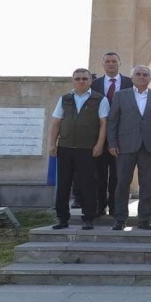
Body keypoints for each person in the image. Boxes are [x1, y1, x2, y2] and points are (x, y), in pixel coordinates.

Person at [107, 65, 151, 231]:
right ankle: (120, 219)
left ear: (150, 79)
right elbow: (113, 121)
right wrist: (112, 143)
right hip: (125, 146)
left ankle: (144, 219)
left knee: (147, 184)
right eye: (138, 74)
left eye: (145, 75)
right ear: (132, 78)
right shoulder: (120, 95)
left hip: (150, 146)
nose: (141, 77)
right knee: (122, 183)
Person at [48, 68, 109, 230]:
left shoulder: (99, 99)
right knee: (63, 184)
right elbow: (56, 122)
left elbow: (104, 124)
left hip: (87, 148)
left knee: (88, 184)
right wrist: (52, 143)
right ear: (73, 80)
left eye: (84, 78)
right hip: (65, 147)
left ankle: (88, 218)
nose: (81, 81)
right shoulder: (65, 99)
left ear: (90, 81)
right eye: (78, 78)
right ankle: (62, 218)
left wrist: (99, 144)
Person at [90, 52, 133, 217]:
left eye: (114, 61)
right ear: (103, 64)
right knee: (99, 174)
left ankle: (115, 207)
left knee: (118, 175)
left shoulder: (130, 83)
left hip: (122, 137)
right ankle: (100, 206)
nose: (111, 64)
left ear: (119, 63)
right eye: (107, 61)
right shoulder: (94, 84)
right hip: (99, 136)